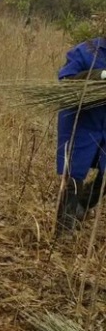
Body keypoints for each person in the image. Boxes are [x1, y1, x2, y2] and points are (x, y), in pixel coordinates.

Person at [56, 36, 106, 234]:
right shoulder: (86, 51)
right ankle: (64, 229)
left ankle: (83, 205)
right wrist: (99, 76)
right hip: (83, 121)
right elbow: (66, 80)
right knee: (75, 171)